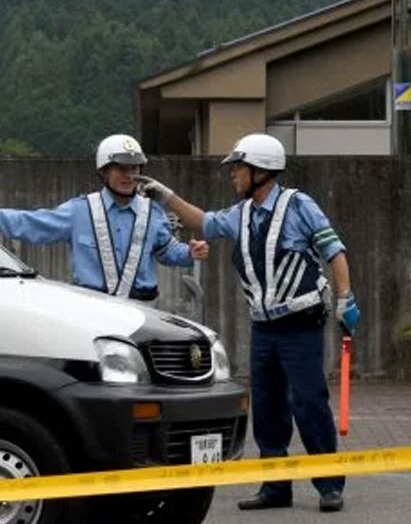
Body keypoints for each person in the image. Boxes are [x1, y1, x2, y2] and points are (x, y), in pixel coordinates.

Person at [136, 133, 359, 514]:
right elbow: (203, 222)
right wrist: (165, 195)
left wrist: (345, 298)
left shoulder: (298, 205)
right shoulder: (239, 215)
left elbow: (333, 250)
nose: (232, 175)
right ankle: (275, 486)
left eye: (237, 168)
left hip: (301, 323)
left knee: (309, 404)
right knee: (269, 407)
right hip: (263, 327)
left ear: (260, 171)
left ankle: (329, 484)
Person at [0, 134, 207, 304]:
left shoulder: (152, 212)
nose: (130, 175)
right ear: (104, 171)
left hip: (143, 309)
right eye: (121, 168)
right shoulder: (80, 210)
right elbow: (31, 224)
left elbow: (167, 251)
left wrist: (190, 252)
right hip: (93, 306)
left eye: (135, 168)